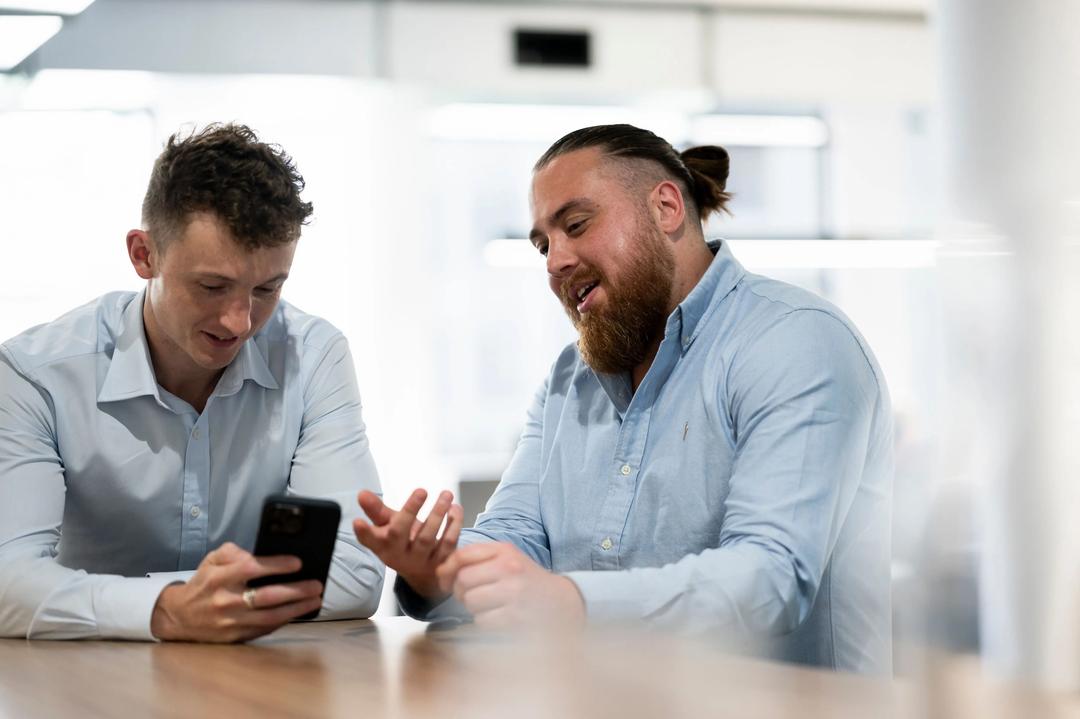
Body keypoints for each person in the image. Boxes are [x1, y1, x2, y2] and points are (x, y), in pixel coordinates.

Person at [354, 124, 893, 674]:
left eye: (576, 225)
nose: (554, 262)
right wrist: (439, 568)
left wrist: (572, 603)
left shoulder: (794, 341)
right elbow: (518, 537)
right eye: (543, 245)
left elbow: (770, 578)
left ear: (666, 208)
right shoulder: (570, 378)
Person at [0, 123, 384, 642]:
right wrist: (168, 609)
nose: (239, 322)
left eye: (267, 289)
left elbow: (356, 574)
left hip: (255, 674)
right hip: (86, 677)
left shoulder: (314, 356)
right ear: (144, 255)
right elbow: (7, 582)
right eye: (212, 286)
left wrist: (144, 601)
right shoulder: (35, 375)